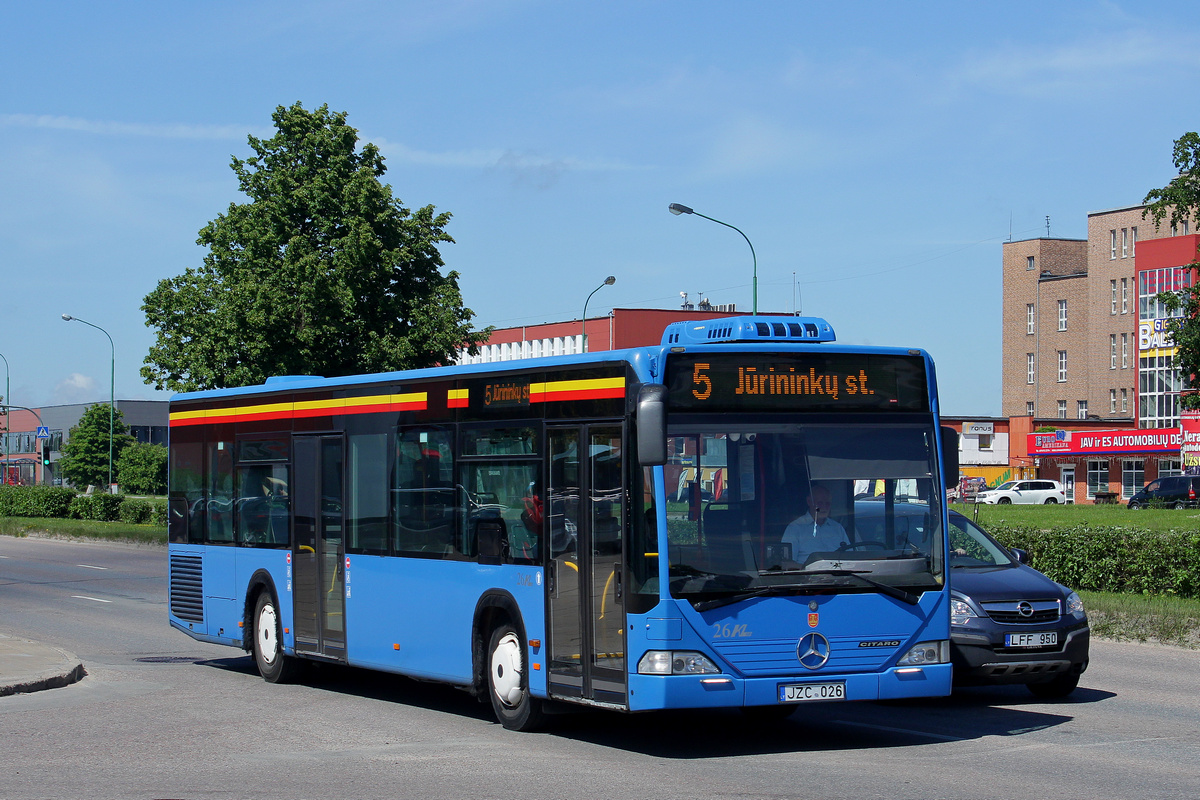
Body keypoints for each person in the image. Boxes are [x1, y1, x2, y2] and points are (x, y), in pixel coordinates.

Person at [782, 484, 849, 561]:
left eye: (827, 503)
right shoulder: (795, 528)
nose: (824, 507)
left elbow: (850, 557)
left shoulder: (838, 528)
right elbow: (787, 564)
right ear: (809, 502)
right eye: (820, 503)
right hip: (808, 572)